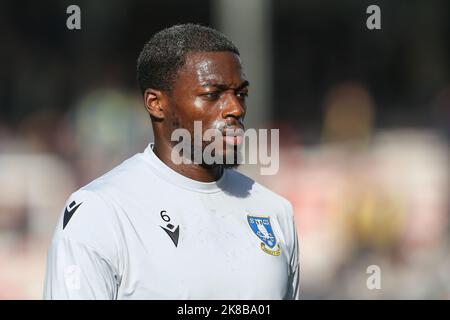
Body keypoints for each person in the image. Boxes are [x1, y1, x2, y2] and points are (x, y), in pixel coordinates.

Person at [44, 23, 300, 299]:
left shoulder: (274, 212)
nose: (236, 109)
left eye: (241, 94)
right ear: (156, 103)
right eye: (213, 95)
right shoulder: (101, 212)